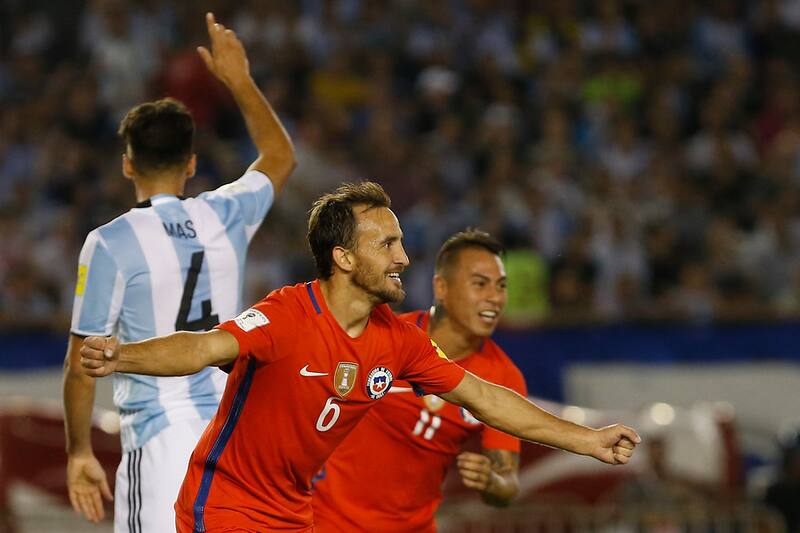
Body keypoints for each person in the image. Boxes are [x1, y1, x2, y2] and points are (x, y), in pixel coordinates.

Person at [80, 181, 641, 533]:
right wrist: (121, 356)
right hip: (226, 505)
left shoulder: (398, 341)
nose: (403, 255)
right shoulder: (287, 315)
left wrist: (587, 440)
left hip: (294, 515)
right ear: (344, 258)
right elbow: (203, 347)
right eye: (387, 245)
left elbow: (485, 398)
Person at [63, 13, 295, 532]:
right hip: (232, 438)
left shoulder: (109, 241)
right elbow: (279, 155)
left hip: (160, 440)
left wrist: (79, 451)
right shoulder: (226, 214)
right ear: (191, 164)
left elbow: (83, 362)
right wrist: (240, 79)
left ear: (127, 164)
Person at [312, 229, 527, 533]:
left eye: (501, 286)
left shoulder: (503, 377)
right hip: (325, 521)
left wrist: (493, 482)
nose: (495, 297)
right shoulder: (384, 335)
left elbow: (508, 481)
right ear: (441, 287)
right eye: (480, 284)